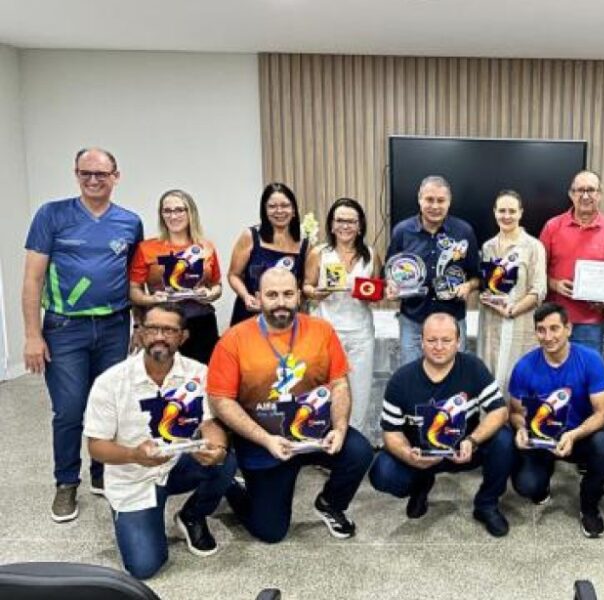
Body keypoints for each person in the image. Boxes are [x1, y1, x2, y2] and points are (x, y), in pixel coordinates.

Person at [206, 267, 374, 543]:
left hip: (313, 429)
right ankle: (233, 485)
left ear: (298, 295)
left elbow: (340, 384)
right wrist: (265, 439)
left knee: (359, 451)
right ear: (258, 297)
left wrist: (340, 428)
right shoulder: (233, 340)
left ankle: (330, 503)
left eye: (287, 294)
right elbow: (220, 400)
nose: (281, 302)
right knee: (270, 532)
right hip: (264, 438)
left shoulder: (322, 330)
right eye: (272, 295)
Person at [22, 147, 144, 522]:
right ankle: (66, 482)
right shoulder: (51, 215)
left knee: (109, 405)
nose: (93, 180)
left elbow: (134, 278)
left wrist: (139, 324)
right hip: (65, 328)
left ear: (115, 177)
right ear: (76, 174)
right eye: (85, 173)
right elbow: (32, 279)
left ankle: (102, 472)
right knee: (70, 408)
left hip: (113, 325)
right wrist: (32, 335)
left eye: (101, 174)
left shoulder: (130, 222)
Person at [83, 303, 236, 579]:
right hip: (133, 476)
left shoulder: (199, 373)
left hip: (176, 462)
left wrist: (217, 448)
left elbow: (209, 423)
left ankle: (192, 515)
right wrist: (134, 455)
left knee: (225, 461)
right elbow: (96, 447)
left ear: (183, 337)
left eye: (169, 330)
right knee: (145, 566)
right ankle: (128, 514)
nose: (159, 336)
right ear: (139, 333)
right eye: (152, 328)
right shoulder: (110, 382)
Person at [368, 313, 514, 537]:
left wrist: (473, 440)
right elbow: (391, 432)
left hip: (464, 449)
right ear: (421, 341)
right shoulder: (401, 380)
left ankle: (487, 504)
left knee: (504, 439)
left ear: (458, 341)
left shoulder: (473, 368)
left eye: (446, 340)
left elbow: (499, 410)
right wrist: (408, 455)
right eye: (432, 340)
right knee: (382, 472)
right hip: (421, 454)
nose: (438, 347)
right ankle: (420, 484)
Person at [508, 303, 604, 538]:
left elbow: (603, 413)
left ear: (568, 328)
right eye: (541, 330)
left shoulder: (590, 360)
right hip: (540, 438)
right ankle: (543, 476)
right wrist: (521, 429)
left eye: (554, 328)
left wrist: (573, 435)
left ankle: (589, 503)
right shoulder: (524, 366)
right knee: (527, 486)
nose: (548, 337)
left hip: (577, 436)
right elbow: (515, 412)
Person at [303, 197, 381, 439]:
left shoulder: (370, 255)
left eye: (351, 221)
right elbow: (306, 286)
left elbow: (377, 290)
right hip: (327, 332)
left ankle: (355, 444)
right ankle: (324, 441)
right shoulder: (319, 253)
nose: (345, 226)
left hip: (360, 333)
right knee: (325, 392)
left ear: (360, 225)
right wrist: (316, 293)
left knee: (359, 392)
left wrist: (375, 294)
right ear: (331, 224)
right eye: (340, 220)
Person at [386, 175, 479, 366]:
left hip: (452, 321)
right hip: (413, 320)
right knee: (411, 375)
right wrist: (391, 286)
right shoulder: (402, 231)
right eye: (429, 199)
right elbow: (389, 271)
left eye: (441, 200)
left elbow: (477, 276)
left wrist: (468, 286)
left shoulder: (464, 231)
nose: (435, 206)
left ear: (449, 202)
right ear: (419, 199)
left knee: (454, 376)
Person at [129, 189, 224, 364]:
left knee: (201, 376)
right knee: (162, 375)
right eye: (167, 211)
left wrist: (210, 294)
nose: (173, 216)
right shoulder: (146, 248)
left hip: (201, 324)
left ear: (190, 212)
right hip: (162, 324)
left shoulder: (206, 247)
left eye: (179, 210)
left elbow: (217, 285)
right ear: (161, 215)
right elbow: (134, 290)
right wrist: (151, 299)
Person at [539, 170, 604, 353]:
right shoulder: (552, 227)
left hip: (590, 323)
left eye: (591, 190)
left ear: (600, 194)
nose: (585, 196)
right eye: (580, 190)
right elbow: (536, 273)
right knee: (553, 369)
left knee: (586, 369)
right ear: (571, 194)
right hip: (553, 320)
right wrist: (555, 284)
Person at [477, 189, 547, 394]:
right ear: (494, 212)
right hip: (490, 326)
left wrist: (512, 310)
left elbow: (539, 289)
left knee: (517, 385)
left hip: (519, 327)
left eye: (512, 211)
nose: (506, 216)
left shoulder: (533, 247)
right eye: (502, 211)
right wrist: (485, 296)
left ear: (521, 213)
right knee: (489, 384)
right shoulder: (488, 247)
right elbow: (488, 285)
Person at [227, 182, 309, 326]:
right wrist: (246, 296)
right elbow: (233, 275)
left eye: (285, 205)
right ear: (264, 211)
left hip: (284, 318)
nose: (279, 211)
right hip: (249, 315)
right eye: (272, 206)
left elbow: (302, 285)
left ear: (294, 210)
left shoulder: (305, 245)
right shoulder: (250, 236)